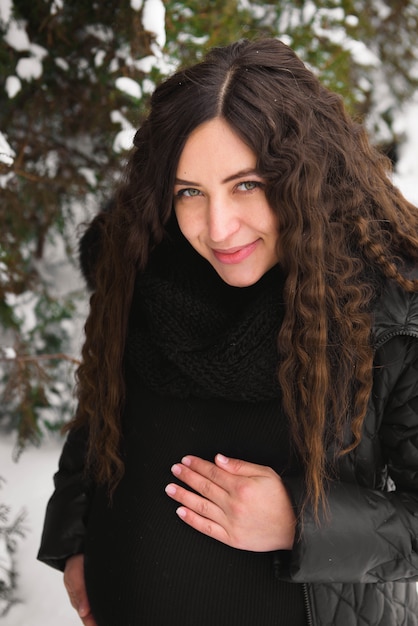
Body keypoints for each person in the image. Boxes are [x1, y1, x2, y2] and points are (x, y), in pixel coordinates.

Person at [37, 38, 418, 626]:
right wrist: (74, 537)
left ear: (307, 175)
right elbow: (102, 417)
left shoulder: (390, 308)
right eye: (190, 191)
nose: (217, 227)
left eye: (247, 184)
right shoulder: (143, 259)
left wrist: (302, 521)